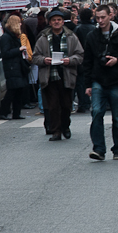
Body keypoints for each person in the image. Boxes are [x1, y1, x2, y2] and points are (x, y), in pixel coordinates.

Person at [81, 5, 118, 161]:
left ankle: (117, 148)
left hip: (117, 80)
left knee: (117, 117)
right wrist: (88, 84)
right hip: (98, 79)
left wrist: (117, 60)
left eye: (103, 17)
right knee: (97, 112)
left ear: (110, 16)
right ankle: (98, 148)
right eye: (97, 18)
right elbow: (88, 61)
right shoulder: (92, 35)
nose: (100, 21)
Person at [32, 10, 84, 142]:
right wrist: (44, 60)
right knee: (53, 106)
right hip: (50, 76)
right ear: (50, 22)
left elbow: (80, 55)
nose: (56, 22)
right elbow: (35, 56)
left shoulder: (71, 36)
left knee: (66, 105)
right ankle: (56, 131)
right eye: (54, 20)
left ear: (62, 22)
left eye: (59, 20)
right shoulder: (43, 37)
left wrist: (70, 60)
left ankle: (65, 126)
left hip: (66, 75)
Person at [0, 15, 30, 120]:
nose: (21, 24)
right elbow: (5, 53)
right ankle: (3, 112)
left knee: (18, 90)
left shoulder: (13, 36)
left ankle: (16, 113)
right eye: (19, 22)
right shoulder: (6, 37)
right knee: (12, 90)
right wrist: (19, 49)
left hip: (17, 66)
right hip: (12, 67)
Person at [73, 9, 98, 113]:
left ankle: (84, 103)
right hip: (93, 57)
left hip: (81, 57)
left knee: (81, 82)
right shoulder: (94, 28)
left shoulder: (78, 29)